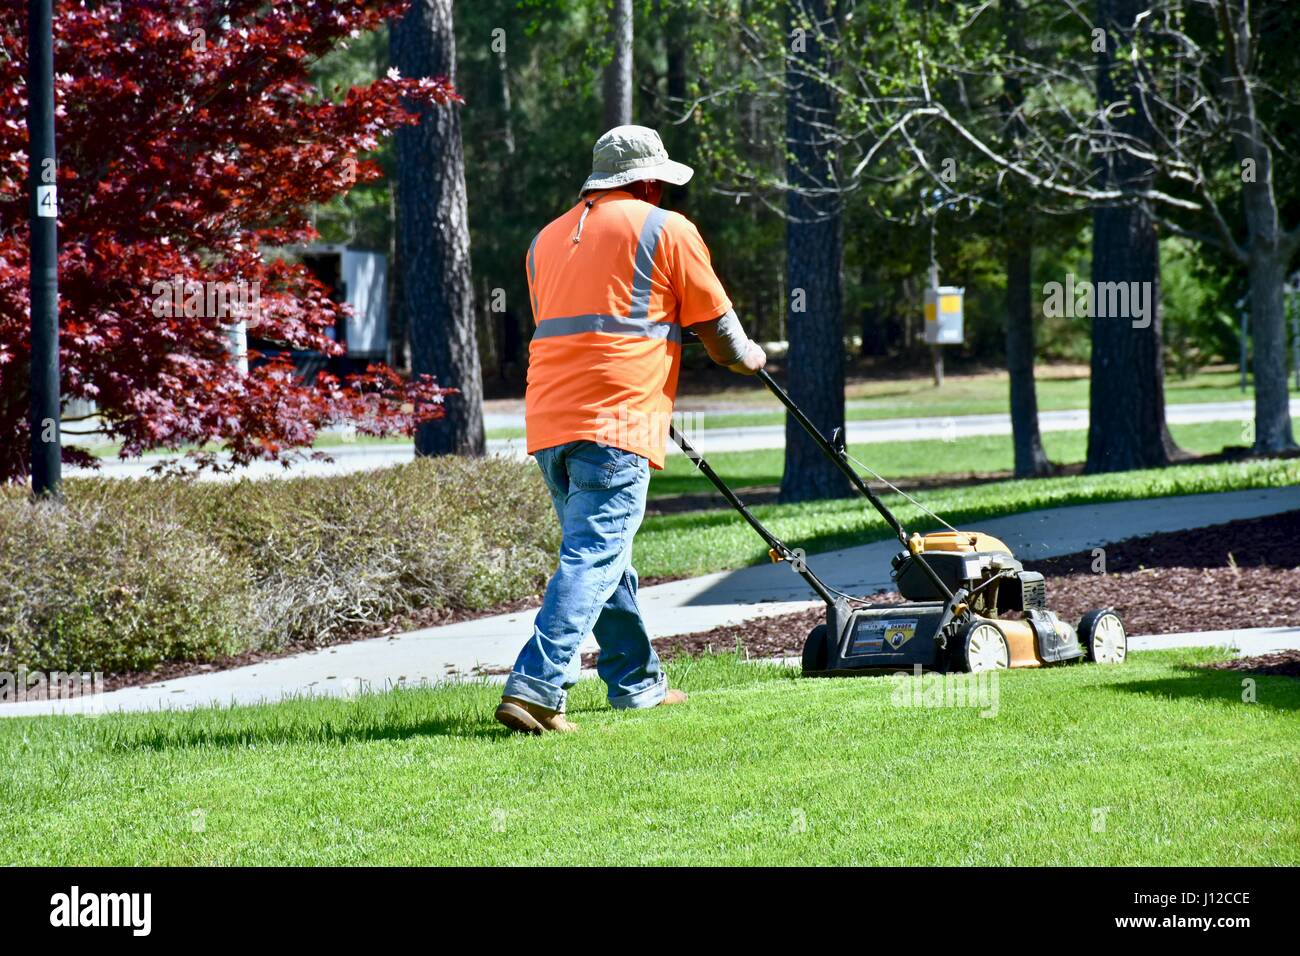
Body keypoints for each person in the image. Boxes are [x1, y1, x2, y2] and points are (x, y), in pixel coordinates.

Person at [495, 125, 766, 735]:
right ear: (646, 182)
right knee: (593, 555)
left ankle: (636, 684)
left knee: (604, 557)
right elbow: (722, 339)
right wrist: (753, 358)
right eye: (662, 186)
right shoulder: (667, 230)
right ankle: (536, 686)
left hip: (549, 420)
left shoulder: (545, 240)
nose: (664, 195)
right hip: (618, 416)